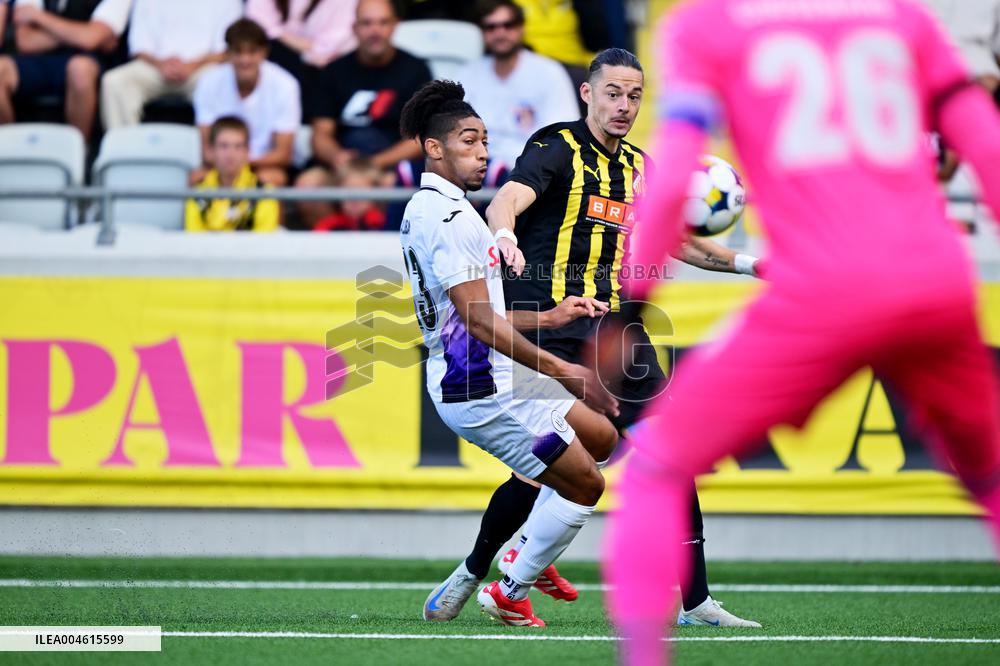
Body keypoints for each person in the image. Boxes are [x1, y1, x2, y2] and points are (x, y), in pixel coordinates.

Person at [602, 1, 1000, 663]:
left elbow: (671, 184)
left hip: (821, 290)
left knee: (655, 471)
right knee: (990, 476)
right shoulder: (902, 16)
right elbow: (985, 143)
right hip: (937, 280)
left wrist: (633, 308)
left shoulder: (705, 26)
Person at [423, 48, 762, 628]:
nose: (624, 105)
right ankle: (479, 570)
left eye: (634, 95)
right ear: (588, 93)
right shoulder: (556, 146)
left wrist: (753, 264)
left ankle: (695, 601)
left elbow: (678, 240)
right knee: (551, 465)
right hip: (549, 326)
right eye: (613, 93)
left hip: (615, 333)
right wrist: (504, 235)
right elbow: (507, 199)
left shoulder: (639, 168)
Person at [399, 79, 622, 628]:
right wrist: (563, 368)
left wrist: (549, 318)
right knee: (586, 485)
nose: (483, 153)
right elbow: (477, 323)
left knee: (601, 437)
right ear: (435, 148)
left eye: (485, 142)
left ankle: (523, 549)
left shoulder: (442, 209)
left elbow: (473, 312)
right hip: (480, 390)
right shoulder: (448, 219)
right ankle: (511, 585)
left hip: (497, 376)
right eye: (469, 142)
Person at [295, 0, 432, 226]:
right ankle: (334, 238)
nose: (375, 31)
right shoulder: (334, 71)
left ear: (395, 26)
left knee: (395, 186)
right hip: (341, 167)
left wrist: (375, 163)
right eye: (367, 23)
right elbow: (320, 135)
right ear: (355, 28)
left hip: (389, 168)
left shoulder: (415, 70)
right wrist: (339, 159)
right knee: (307, 186)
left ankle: (385, 246)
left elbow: (420, 139)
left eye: (382, 23)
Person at [459, 0, 579, 169]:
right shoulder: (468, 73)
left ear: (522, 28)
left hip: (531, 170)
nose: (500, 33)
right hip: (476, 168)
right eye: (491, 27)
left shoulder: (549, 72)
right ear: (482, 32)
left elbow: (564, 137)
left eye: (508, 25)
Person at [0, 0, 131, 142]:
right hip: (39, 60)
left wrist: (39, 17)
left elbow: (90, 38)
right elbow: (26, 41)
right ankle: (10, 148)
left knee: (79, 69)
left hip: (91, 62)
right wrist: (82, 33)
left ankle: (79, 150)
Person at [100, 0, 242, 130]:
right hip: (155, 67)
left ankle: (219, 148)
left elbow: (227, 50)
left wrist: (192, 65)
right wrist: (160, 64)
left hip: (203, 68)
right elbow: (139, 47)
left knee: (222, 80)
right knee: (115, 82)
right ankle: (123, 147)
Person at [193, 19, 300, 187]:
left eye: (252, 52)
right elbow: (207, 152)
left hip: (262, 166)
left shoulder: (285, 85)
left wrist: (239, 164)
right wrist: (231, 165)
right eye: (238, 52)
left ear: (264, 52)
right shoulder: (208, 82)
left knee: (272, 178)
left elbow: (283, 154)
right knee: (197, 178)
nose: (245, 60)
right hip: (220, 166)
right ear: (227, 53)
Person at [244, 0, 357, 112]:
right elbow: (255, 29)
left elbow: (328, 48)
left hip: (318, 77)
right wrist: (305, 48)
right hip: (272, 68)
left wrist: (277, 34)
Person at [185, 116, 280, 233]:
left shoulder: (265, 193)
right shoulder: (197, 193)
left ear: (248, 151)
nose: (230, 154)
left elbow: (264, 240)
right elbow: (194, 239)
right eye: (223, 146)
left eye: (238, 146)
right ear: (211, 150)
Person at [312, 159, 387, 231]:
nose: (355, 198)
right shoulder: (328, 226)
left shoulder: (384, 224)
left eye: (361, 191)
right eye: (349, 191)